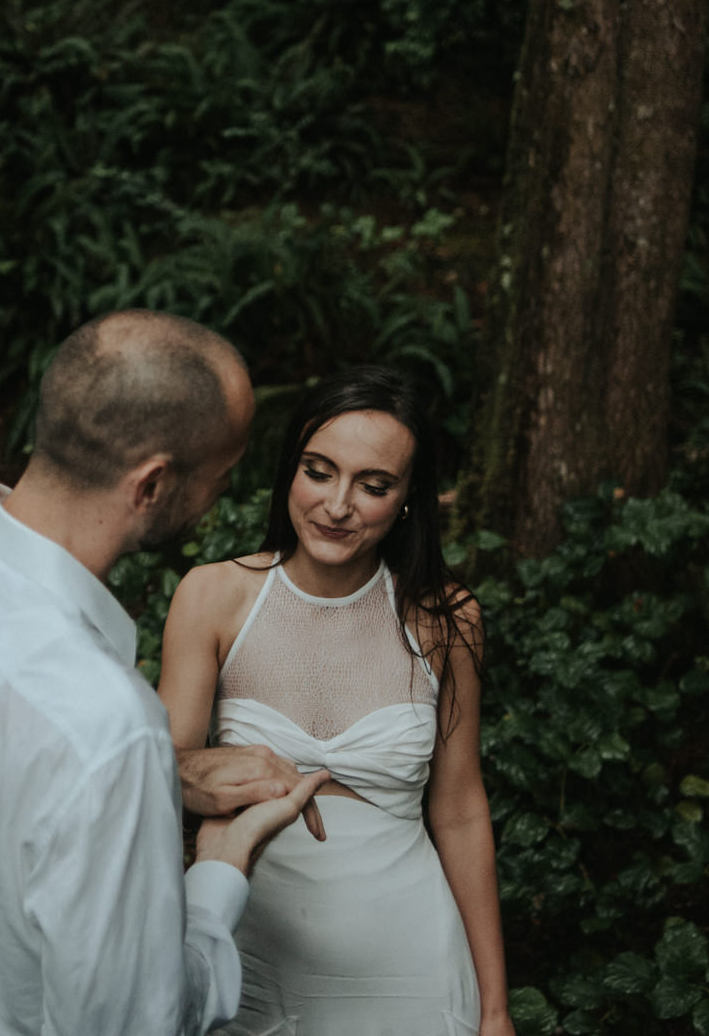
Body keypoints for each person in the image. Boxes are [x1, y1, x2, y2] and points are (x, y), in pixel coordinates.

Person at [0, 309, 328, 1035]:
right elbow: (136, 1022)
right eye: (224, 474)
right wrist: (221, 868)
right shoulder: (109, 726)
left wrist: (169, 775)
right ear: (152, 484)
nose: (226, 494)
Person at [158, 366, 513, 1036]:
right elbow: (158, 776)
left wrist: (495, 1009)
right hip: (255, 960)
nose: (338, 503)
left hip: (412, 959)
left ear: (409, 497)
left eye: (373, 485)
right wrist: (207, 776)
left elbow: (462, 809)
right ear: (290, 468)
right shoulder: (211, 597)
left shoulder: (446, 618)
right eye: (318, 471)